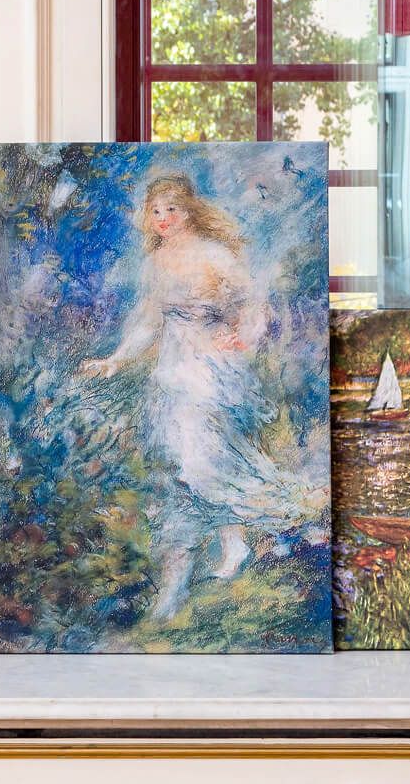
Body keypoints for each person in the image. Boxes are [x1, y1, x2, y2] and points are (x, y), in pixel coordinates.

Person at [80, 173, 282, 619]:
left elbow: (253, 303)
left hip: (211, 367)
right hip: (171, 370)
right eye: (156, 211)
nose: (164, 218)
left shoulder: (213, 254)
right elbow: (148, 321)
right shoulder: (156, 263)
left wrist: (242, 335)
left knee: (203, 457)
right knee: (183, 459)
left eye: (172, 209)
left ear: (189, 210)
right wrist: (116, 359)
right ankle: (232, 542)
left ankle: (225, 542)